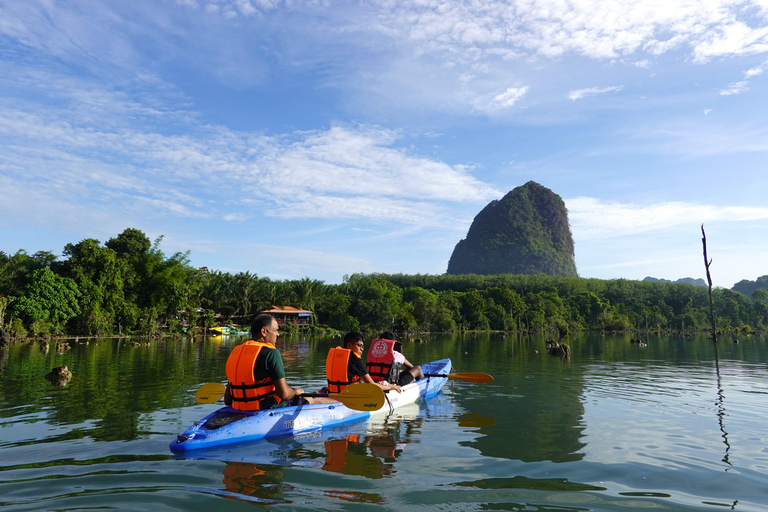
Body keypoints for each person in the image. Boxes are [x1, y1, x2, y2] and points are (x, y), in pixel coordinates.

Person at [225, 313, 330, 410]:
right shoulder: (271, 353)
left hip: (238, 406)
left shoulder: (236, 353)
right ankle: (320, 398)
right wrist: (295, 391)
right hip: (266, 407)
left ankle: (316, 393)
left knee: (298, 396)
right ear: (264, 332)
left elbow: (227, 400)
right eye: (275, 330)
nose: (278, 334)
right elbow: (284, 394)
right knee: (312, 400)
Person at [326, 332, 402, 394]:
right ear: (349, 345)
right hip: (348, 395)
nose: (362, 349)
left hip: (333, 392)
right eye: (359, 346)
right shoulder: (355, 360)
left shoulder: (336, 355)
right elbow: (372, 385)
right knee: (385, 384)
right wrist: (392, 387)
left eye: (363, 346)